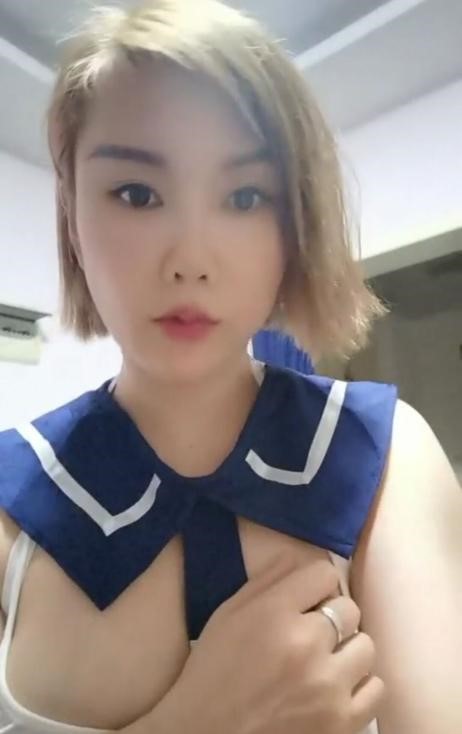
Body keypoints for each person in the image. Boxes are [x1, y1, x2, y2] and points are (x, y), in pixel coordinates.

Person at [0, 1, 461, 733]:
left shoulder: (384, 457)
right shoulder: (12, 498)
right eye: (137, 194)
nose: (191, 260)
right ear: (73, 215)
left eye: (246, 197)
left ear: (295, 221)